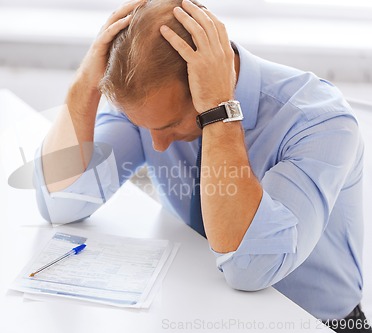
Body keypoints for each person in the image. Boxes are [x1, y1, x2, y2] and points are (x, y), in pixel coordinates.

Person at [33, 0, 369, 331]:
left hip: (315, 323)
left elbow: (251, 269)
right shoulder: (150, 108)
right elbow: (61, 202)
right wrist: (84, 86)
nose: (157, 145)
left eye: (170, 126)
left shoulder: (319, 120)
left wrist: (219, 111)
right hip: (197, 310)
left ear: (205, 83)